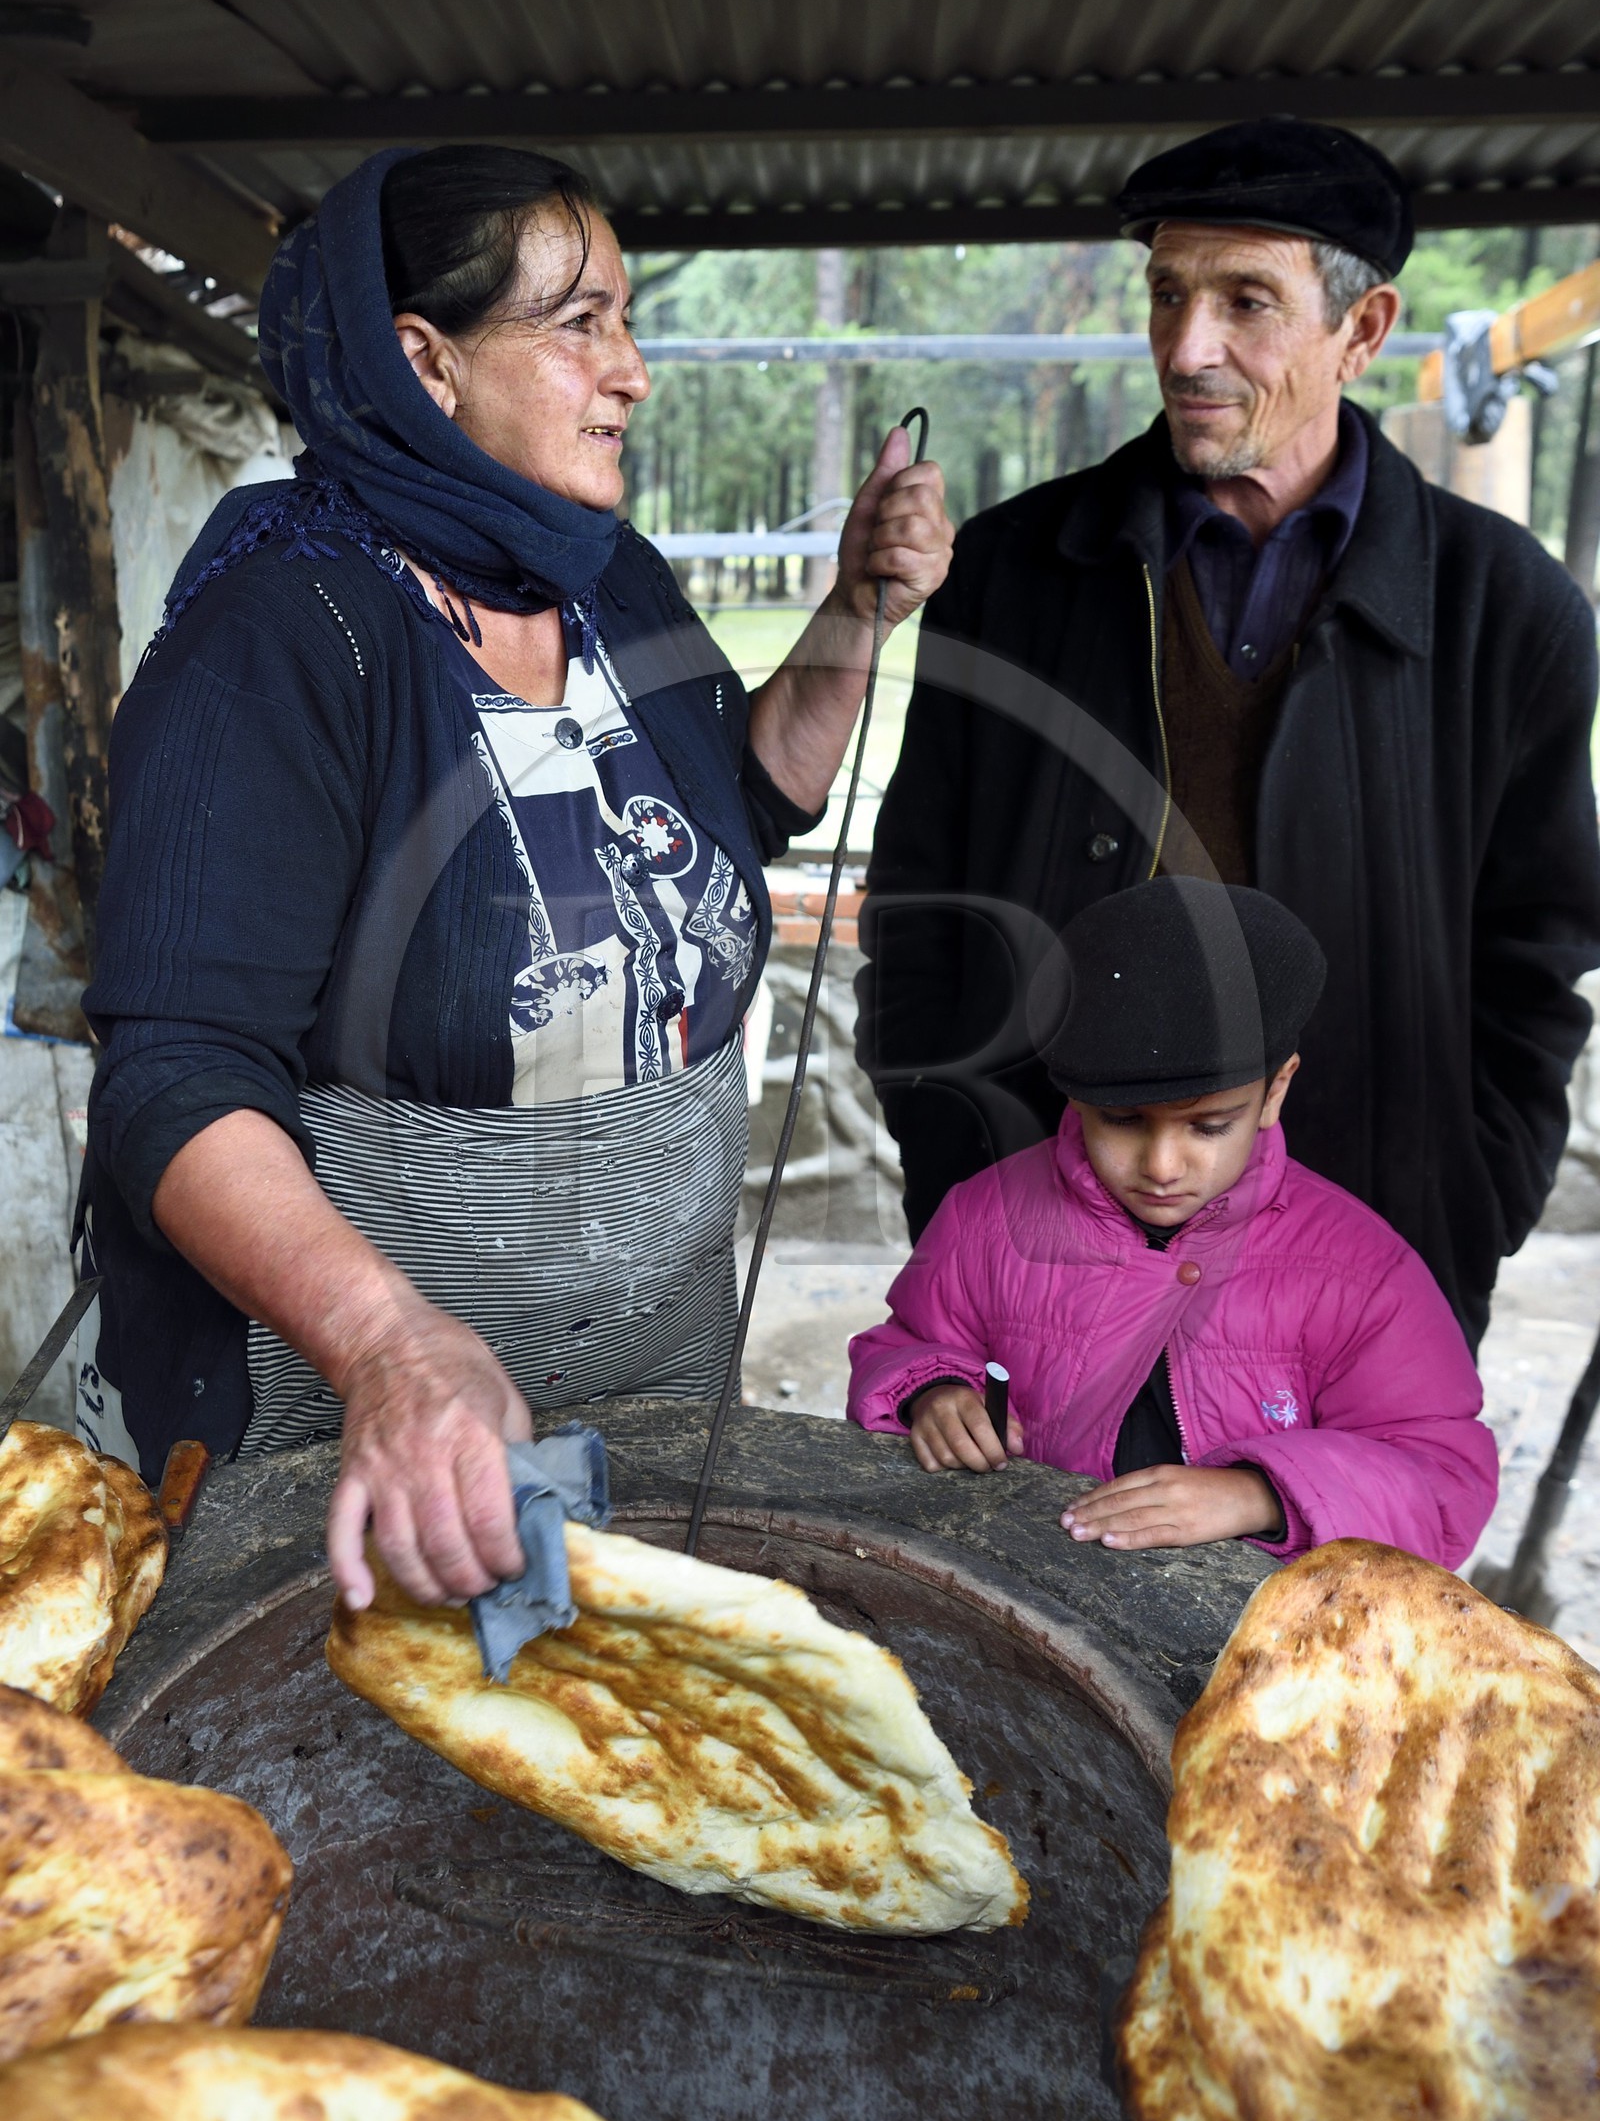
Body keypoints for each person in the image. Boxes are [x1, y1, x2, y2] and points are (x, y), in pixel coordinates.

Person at [81, 144, 952, 1612]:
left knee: (617, 1748)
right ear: (424, 364)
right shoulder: (283, 638)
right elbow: (177, 1073)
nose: (634, 375)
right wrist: (387, 1347)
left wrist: (856, 610)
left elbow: (743, 797)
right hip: (368, 1426)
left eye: (627, 321)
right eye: (580, 326)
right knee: (372, 1775)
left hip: (653, 1379)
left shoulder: (607, 582)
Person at [855, 116, 1600, 1348]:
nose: (1187, 346)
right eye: (1166, 294)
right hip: (1045, 1238)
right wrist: (955, 1176)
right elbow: (922, 906)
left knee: (1334, 1551)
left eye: (1246, 300)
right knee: (1031, 1541)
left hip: (1370, 1251)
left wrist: (1465, 1207)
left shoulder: (1507, 612)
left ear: (1360, 331)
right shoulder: (1009, 575)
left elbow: (1535, 965)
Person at [848, 880, 1498, 1567]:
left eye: (1209, 1125)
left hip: (1252, 1642)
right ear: (1074, 1095)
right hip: (1029, 1586)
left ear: (1276, 1090)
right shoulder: (988, 1218)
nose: (1161, 1165)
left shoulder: (1364, 1272)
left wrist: (1260, 1494)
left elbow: (1443, 1479)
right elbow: (910, 1341)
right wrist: (933, 1391)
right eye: (1122, 1122)